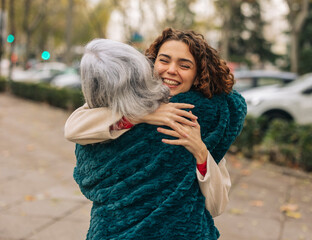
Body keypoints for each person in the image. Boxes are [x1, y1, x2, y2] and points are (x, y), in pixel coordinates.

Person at [66, 28, 247, 239]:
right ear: (151, 63)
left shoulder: (203, 123)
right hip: (116, 228)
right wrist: (140, 115)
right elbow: (73, 128)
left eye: (184, 65)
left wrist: (201, 153)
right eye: (164, 60)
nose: (171, 70)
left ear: (199, 73)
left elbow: (217, 205)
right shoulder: (126, 98)